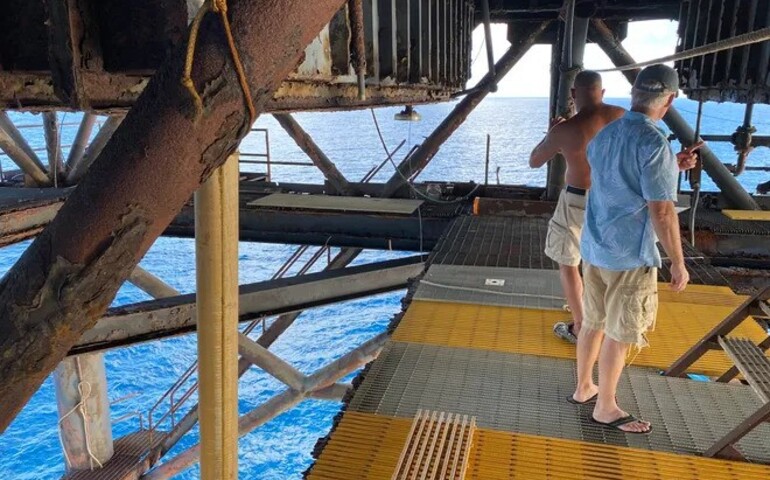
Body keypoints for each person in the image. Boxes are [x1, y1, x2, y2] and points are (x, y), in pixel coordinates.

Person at [570, 64, 700, 434]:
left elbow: (618, 180)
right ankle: (606, 407)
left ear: (634, 94)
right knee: (621, 331)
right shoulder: (653, 143)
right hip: (629, 255)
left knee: (593, 322)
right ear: (670, 99)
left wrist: (671, 166)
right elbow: (660, 210)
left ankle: (584, 389)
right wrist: (678, 262)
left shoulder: (606, 134)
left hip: (595, 248)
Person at [529, 71, 625, 344]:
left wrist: (552, 135)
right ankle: (609, 323)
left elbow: (535, 161)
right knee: (604, 262)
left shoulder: (566, 129)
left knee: (568, 262)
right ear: (602, 92)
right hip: (612, 200)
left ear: (573, 95)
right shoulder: (621, 117)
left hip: (576, 200)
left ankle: (581, 325)